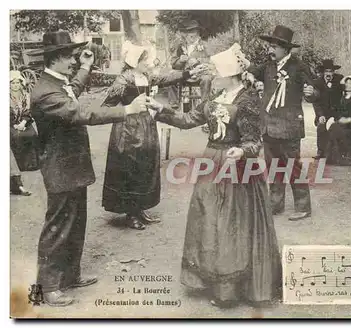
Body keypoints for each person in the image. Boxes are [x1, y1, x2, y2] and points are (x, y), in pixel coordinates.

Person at [147, 46, 282, 308]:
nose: (212, 76)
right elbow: (188, 119)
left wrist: (242, 151)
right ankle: (213, 280)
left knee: (231, 222)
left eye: (216, 72)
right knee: (209, 217)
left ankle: (230, 289)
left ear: (229, 74)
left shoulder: (247, 100)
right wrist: (159, 109)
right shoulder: (216, 96)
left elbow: (254, 141)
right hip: (212, 162)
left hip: (236, 168)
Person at [30, 31, 149, 306]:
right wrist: (127, 111)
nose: (74, 61)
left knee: (76, 223)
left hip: (72, 168)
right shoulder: (45, 92)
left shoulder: (56, 83)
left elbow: (74, 88)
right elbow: (80, 113)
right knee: (58, 226)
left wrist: (85, 66)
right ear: (56, 58)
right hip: (61, 170)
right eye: (71, 57)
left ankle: (70, 276)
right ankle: (48, 287)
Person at [101, 42, 207, 230]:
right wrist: (125, 111)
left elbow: (166, 78)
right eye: (144, 60)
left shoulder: (146, 76)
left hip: (146, 125)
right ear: (135, 61)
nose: (148, 63)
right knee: (131, 167)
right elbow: (106, 105)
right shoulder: (124, 79)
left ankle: (139, 209)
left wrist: (188, 74)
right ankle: (131, 213)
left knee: (145, 165)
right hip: (128, 129)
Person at [244, 25, 318, 221]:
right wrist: (250, 75)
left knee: (293, 167)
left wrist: (311, 94)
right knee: (273, 167)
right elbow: (252, 70)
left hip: (289, 127)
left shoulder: (299, 66)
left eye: (275, 46)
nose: (270, 50)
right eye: (270, 46)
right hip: (268, 127)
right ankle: (275, 205)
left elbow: (314, 89)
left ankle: (303, 207)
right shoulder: (267, 66)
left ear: (286, 49)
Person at [171, 20, 213, 109]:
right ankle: (174, 103)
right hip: (185, 74)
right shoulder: (180, 46)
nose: (191, 35)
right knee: (171, 75)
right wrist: (180, 60)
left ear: (198, 33)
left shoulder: (205, 46)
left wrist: (198, 61)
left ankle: (204, 105)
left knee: (207, 79)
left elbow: (211, 61)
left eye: (193, 31)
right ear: (185, 34)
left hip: (200, 75)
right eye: (189, 32)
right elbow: (173, 63)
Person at [312, 59, 344, 159]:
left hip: (336, 113)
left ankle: (336, 153)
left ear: (333, 72)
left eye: (330, 71)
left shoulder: (340, 80)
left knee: (336, 128)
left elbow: (345, 95)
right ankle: (320, 151)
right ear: (323, 72)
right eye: (326, 71)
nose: (328, 74)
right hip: (323, 113)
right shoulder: (317, 82)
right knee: (321, 127)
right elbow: (316, 102)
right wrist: (320, 115)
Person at [10, 70, 39, 172]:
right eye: (13, 83)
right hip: (11, 124)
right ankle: (21, 165)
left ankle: (33, 164)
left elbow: (28, 111)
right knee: (17, 136)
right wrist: (15, 125)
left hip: (24, 122)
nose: (15, 85)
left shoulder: (26, 95)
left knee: (32, 134)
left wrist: (23, 122)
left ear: (21, 83)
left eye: (17, 83)